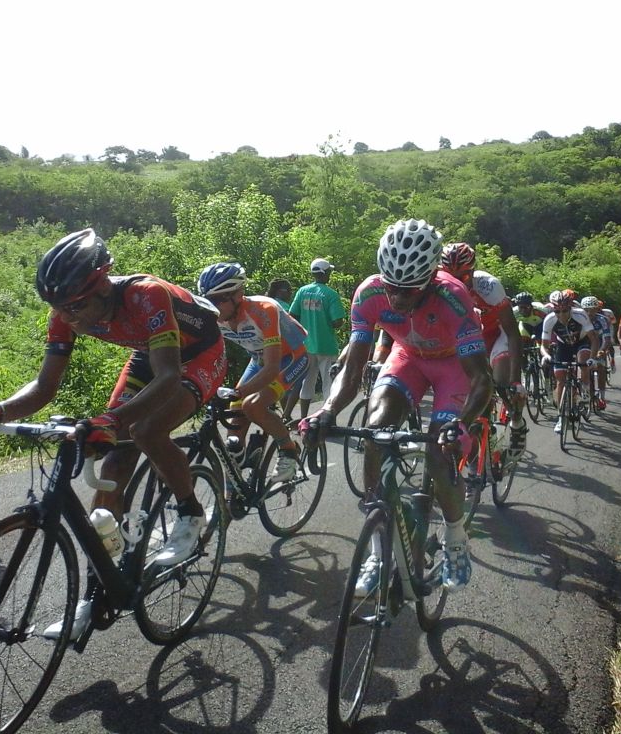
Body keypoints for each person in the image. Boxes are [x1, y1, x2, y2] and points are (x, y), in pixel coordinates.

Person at [0, 229, 227, 638]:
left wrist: (110, 422)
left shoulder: (146, 295)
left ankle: (190, 513)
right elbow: (45, 387)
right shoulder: (65, 313)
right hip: (149, 355)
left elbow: (169, 376)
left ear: (102, 284)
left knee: (146, 429)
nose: (68, 317)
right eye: (59, 308)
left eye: (75, 306)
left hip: (199, 354)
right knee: (116, 458)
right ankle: (99, 590)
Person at [301, 220, 494, 594]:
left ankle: (455, 538)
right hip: (407, 359)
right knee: (375, 431)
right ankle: (378, 548)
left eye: (409, 291)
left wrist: (463, 424)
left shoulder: (454, 297)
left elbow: (481, 378)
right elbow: (353, 366)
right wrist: (327, 410)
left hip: (453, 366)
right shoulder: (369, 293)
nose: (397, 299)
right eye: (392, 287)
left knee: (440, 453)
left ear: (431, 278)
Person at [196, 262, 308, 482]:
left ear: (238, 295)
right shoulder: (214, 317)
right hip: (259, 360)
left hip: (292, 358)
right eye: (208, 300)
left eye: (218, 300)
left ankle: (288, 450)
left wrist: (239, 392)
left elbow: (272, 368)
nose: (213, 308)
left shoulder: (265, 310)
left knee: (252, 404)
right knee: (235, 411)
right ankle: (235, 480)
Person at [439, 242, 527, 461]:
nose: (458, 283)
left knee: (501, 383)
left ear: (473, 270)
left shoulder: (488, 285)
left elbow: (512, 332)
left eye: (464, 277)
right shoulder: (438, 287)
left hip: (496, 337)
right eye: (451, 276)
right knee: (476, 399)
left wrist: (516, 381)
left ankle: (516, 420)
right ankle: (485, 449)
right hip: (466, 342)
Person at [286, 258, 346, 419]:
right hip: (326, 346)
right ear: (325, 273)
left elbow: (292, 315)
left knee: (307, 383)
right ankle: (328, 420)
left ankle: (303, 418)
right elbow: (337, 322)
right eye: (329, 272)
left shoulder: (302, 291)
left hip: (306, 346)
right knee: (329, 384)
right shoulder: (331, 294)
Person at [540, 290, 599, 433]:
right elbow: (544, 345)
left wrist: (593, 358)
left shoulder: (580, 315)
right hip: (563, 345)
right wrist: (546, 355)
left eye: (565, 310)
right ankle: (561, 417)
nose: (561, 315)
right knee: (560, 379)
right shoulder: (549, 319)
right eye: (557, 311)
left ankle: (585, 390)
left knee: (583, 361)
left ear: (570, 308)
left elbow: (594, 339)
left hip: (581, 342)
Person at [581, 296, 612, 409]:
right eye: (586, 310)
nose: (589, 312)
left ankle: (602, 397)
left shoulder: (602, 319)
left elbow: (607, 338)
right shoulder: (579, 318)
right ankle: (583, 389)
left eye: (592, 309)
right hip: (583, 344)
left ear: (597, 309)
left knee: (601, 368)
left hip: (598, 343)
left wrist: (602, 350)